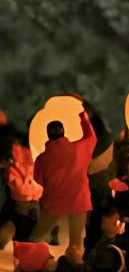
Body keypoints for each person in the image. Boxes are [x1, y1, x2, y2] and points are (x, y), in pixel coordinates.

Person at [32, 100, 94, 247]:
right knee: (76, 241)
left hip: (54, 202)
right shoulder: (79, 149)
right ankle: (75, 265)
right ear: (64, 132)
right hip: (79, 200)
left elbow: (38, 179)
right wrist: (83, 117)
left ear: (48, 136)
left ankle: (28, 261)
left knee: (35, 236)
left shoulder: (42, 158)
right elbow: (91, 136)